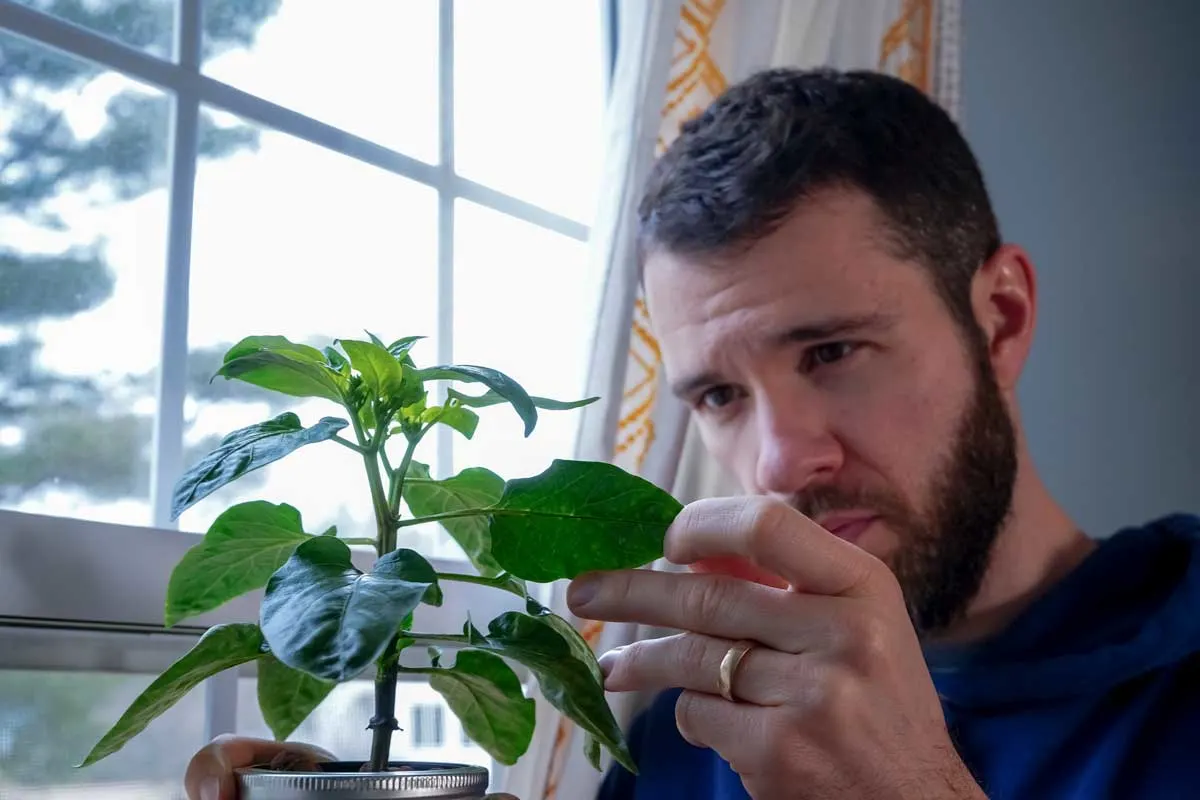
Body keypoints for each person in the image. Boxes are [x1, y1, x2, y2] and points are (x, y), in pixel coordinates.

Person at [184, 68, 1200, 799]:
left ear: (1003, 316)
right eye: (719, 394)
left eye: (834, 350)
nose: (776, 461)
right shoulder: (695, 726)